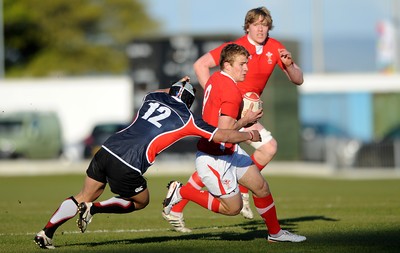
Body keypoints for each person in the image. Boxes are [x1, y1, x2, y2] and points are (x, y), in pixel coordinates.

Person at [33, 76, 262, 249]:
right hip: (129, 163)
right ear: (190, 101)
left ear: (170, 91)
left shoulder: (152, 97)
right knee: (142, 201)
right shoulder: (188, 118)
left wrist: (176, 85)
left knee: (83, 195)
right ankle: (96, 208)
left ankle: (45, 233)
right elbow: (222, 135)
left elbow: (161, 91)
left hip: (106, 149)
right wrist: (249, 133)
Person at [163, 6, 304, 231]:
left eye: (265, 24)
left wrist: (289, 65)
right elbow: (200, 64)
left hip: (244, 112)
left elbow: (298, 79)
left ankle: (180, 203)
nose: (261, 28)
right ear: (247, 26)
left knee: (225, 156)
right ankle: (243, 193)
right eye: (256, 24)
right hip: (232, 112)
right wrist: (215, 93)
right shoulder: (236, 49)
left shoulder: (275, 47)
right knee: (257, 149)